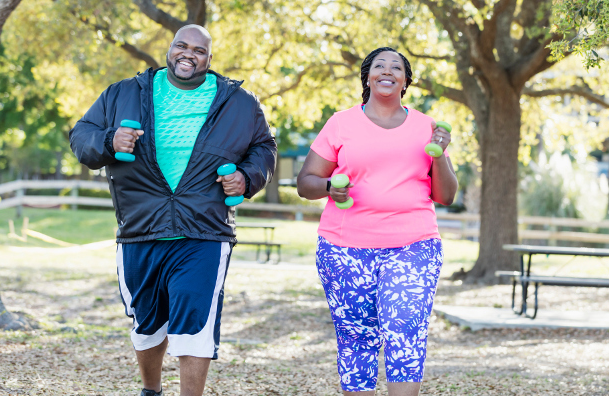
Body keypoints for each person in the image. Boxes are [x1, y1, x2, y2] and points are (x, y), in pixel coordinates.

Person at [69, 25, 276, 396]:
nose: (188, 54)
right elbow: (81, 135)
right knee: (146, 323)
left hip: (205, 229)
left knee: (195, 320)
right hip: (140, 226)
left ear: (209, 59)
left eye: (199, 50)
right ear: (169, 48)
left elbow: (264, 147)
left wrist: (246, 178)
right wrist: (108, 139)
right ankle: (151, 390)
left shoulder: (239, 102)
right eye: (182, 45)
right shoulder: (124, 93)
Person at [296, 47, 458, 396]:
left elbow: (445, 196)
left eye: (396, 67)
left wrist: (441, 153)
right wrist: (329, 188)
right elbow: (305, 182)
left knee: (405, 328)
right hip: (344, 248)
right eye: (379, 66)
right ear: (368, 77)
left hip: (414, 244)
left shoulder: (426, 126)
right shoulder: (341, 123)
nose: (387, 71)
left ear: (405, 80)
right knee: (356, 337)